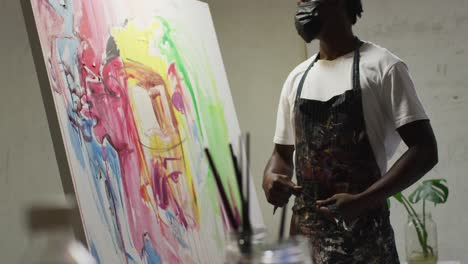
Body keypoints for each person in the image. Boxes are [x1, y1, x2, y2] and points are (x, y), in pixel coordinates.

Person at [262, 0, 438, 263]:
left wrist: (363, 201)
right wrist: (271, 176)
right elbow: (282, 154)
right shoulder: (297, 78)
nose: (302, 6)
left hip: (365, 244)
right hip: (305, 246)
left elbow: (425, 150)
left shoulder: (383, 68)